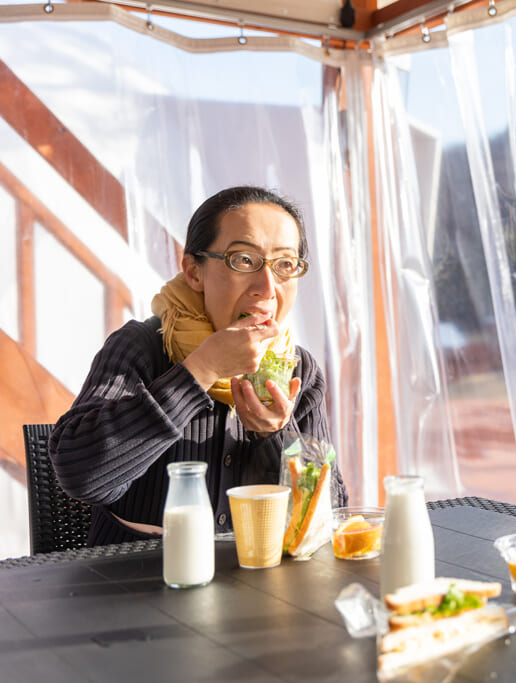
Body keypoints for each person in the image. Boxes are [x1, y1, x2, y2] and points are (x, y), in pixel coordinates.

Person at [50, 186, 346, 547]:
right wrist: (202, 368)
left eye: (285, 264)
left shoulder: (298, 368)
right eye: (243, 260)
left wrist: (277, 436)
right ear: (194, 271)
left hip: (254, 578)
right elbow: (81, 475)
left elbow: (329, 511)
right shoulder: (143, 346)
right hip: (136, 582)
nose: (267, 287)